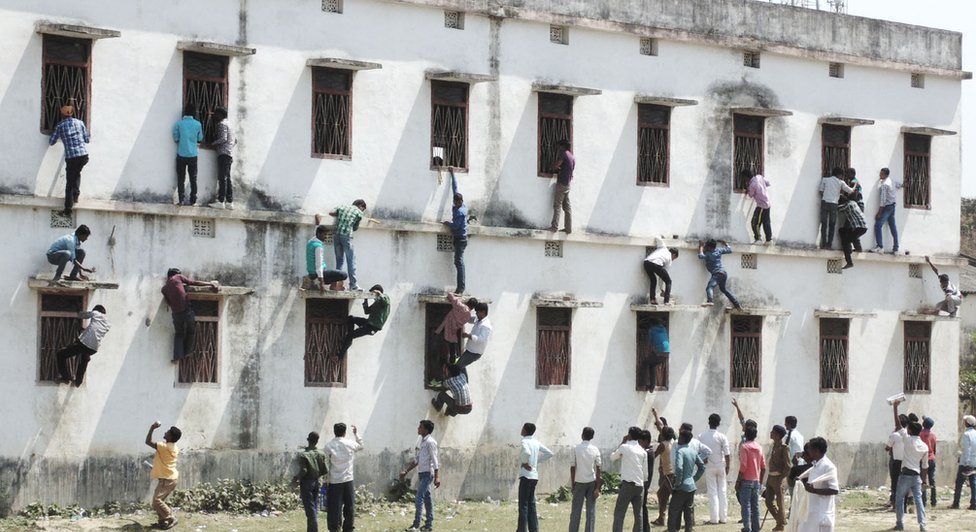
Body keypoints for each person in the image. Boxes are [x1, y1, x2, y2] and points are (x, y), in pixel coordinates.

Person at [161, 268, 218, 362]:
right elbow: (193, 282)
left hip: (176, 314)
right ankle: (188, 352)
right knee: (191, 331)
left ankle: (177, 357)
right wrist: (210, 284)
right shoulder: (178, 277)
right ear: (176, 274)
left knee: (179, 334)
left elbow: (168, 302)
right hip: (186, 311)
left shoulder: (164, 289)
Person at [48, 105, 90, 213]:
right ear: (72, 113)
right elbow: (86, 139)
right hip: (83, 155)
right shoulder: (80, 123)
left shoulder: (60, 126)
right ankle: (76, 195)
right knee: (77, 173)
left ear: (61, 115)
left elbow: (52, 142)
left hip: (71, 157)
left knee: (69, 182)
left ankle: (68, 208)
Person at [55, 305, 110, 386]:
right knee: (84, 357)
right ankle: (78, 382)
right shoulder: (108, 324)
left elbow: (83, 315)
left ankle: (65, 377)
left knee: (60, 354)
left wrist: (78, 310)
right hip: (94, 348)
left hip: (84, 343)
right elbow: (95, 331)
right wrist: (82, 329)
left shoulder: (96, 313)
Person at [400, 420, 440, 532]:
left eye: (420, 427)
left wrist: (437, 476)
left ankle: (416, 525)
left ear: (426, 430)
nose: (418, 429)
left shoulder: (430, 442)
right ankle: (428, 525)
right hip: (422, 473)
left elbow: (435, 460)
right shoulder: (422, 442)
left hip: (428, 473)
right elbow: (417, 460)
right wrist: (406, 471)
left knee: (419, 497)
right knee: (427, 498)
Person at [793, 437, 839, 532]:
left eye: (809, 449)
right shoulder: (815, 465)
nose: (808, 451)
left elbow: (834, 490)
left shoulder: (828, 467)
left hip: (821, 513)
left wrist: (814, 491)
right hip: (811, 511)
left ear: (816, 450)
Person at [324, 423, 363, 532]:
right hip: (348, 480)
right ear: (345, 432)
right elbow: (361, 445)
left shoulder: (329, 446)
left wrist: (325, 480)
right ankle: (348, 528)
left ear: (334, 432)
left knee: (334, 508)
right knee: (349, 507)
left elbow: (326, 463)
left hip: (334, 481)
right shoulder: (350, 443)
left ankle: (334, 528)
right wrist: (356, 434)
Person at [517, 422, 554, 532]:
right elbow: (549, 453)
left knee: (523, 505)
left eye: (522, 428)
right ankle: (534, 528)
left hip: (526, 475)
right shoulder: (536, 442)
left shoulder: (524, 441)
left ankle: (522, 529)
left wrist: (525, 462)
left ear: (525, 430)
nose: (521, 430)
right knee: (531, 504)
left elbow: (527, 453)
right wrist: (536, 462)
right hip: (534, 476)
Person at [894, 420, 929, 532]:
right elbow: (925, 466)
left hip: (905, 474)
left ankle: (900, 524)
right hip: (916, 476)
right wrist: (923, 481)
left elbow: (898, 425)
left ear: (909, 430)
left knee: (899, 499)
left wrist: (895, 407)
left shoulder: (908, 439)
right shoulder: (924, 446)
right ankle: (922, 525)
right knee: (918, 501)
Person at [145, 421, 181, 530]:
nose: (165, 432)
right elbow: (165, 462)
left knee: (157, 501)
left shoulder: (163, 446)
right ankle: (163, 522)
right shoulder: (174, 447)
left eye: (168, 432)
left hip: (167, 479)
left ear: (170, 437)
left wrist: (152, 427)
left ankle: (170, 518)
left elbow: (148, 441)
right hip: (170, 478)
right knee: (159, 502)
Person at [611, 426, 648, 532]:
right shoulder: (642, 451)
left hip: (628, 484)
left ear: (629, 435)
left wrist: (622, 442)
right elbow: (645, 473)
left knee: (619, 512)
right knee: (638, 514)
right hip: (640, 485)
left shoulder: (625, 447)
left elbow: (613, 457)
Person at [326, 200, 367, 291]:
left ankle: (336, 285)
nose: (362, 211)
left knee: (339, 261)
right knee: (351, 260)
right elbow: (355, 228)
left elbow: (331, 213)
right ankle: (353, 285)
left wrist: (340, 217)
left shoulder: (342, 207)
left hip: (336, 235)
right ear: (360, 206)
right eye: (363, 209)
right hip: (346, 236)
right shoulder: (358, 212)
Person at [669, 430, 705, 532]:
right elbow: (702, 467)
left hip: (681, 487)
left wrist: (677, 483)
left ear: (683, 439)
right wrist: (694, 479)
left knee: (673, 512)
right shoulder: (693, 451)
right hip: (691, 486)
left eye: (679, 437)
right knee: (688, 513)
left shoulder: (680, 451)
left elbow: (679, 468)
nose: (678, 439)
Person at [698, 413, 731, 525]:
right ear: (719, 423)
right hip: (721, 465)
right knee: (722, 491)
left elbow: (699, 452)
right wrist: (728, 466)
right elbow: (727, 453)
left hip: (709, 466)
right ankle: (723, 518)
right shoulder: (722, 436)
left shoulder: (701, 436)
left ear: (709, 422)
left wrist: (704, 460)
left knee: (712, 492)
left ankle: (714, 519)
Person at [293, 431, 329, 532]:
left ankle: (313, 530)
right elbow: (325, 470)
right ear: (317, 441)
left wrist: (296, 478)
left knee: (310, 509)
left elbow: (304, 470)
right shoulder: (322, 454)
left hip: (307, 483)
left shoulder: (304, 454)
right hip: (316, 482)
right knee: (314, 506)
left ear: (308, 440)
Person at [569, 426, 602, 532]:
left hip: (579, 482)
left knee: (576, 511)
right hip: (591, 482)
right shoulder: (595, 449)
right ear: (592, 437)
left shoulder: (575, 448)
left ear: (582, 435)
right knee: (591, 511)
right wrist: (597, 487)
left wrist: (573, 484)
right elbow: (599, 468)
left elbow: (573, 467)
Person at [340, 285, 390, 355]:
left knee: (350, 335)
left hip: (373, 327)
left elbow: (386, 302)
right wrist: (365, 300)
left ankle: (339, 356)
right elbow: (367, 311)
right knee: (351, 319)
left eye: (373, 295)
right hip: (368, 323)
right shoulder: (376, 303)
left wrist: (379, 294)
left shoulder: (385, 298)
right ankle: (349, 338)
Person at [433, 293, 477, 371]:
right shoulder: (468, 317)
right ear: (473, 308)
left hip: (443, 330)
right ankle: (449, 371)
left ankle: (439, 369)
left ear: (467, 302)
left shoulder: (460, 306)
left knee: (438, 352)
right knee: (452, 355)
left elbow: (449, 295)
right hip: (452, 335)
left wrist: (456, 295)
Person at [172, 104, 204, 206]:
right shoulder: (198, 124)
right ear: (194, 113)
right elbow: (200, 138)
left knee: (181, 178)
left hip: (181, 154)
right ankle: (193, 200)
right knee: (193, 178)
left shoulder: (179, 124)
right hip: (193, 155)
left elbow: (176, 138)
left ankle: (181, 199)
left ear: (184, 112)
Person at [442, 171, 468, 293]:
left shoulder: (460, 212)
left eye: (457, 203)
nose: (455, 204)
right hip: (459, 238)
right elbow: (455, 187)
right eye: (455, 202)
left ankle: (461, 288)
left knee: (459, 262)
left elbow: (456, 227)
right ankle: (460, 287)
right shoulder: (460, 205)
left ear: (460, 201)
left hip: (460, 239)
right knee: (458, 261)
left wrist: (447, 223)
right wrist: (452, 174)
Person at [737, 424, 766, 532]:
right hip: (756, 480)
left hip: (746, 480)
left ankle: (747, 528)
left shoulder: (744, 447)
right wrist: (760, 482)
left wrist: (738, 480)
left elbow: (743, 466)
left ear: (745, 435)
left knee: (746, 507)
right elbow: (763, 467)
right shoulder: (759, 447)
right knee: (755, 507)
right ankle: (756, 528)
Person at [698, 239, 742, 309]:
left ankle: (710, 301)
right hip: (723, 273)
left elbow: (700, 256)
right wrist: (725, 243)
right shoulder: (718, 250)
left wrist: (701, 247)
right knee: (724, 290)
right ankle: (736, 304)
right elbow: (729, 250)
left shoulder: (709, 254)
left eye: (706, 246)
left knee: (709, 287)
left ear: (709, 247)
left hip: (717, 274)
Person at [207, 107, 236, 209]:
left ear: (221, 115)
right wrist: (229, 148)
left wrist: (213, 143)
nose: (214, 116)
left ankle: (220, 201)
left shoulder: (222, 124)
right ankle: (229, 201)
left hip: (223, 154)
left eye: (216, 114)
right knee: (227, 178)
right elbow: (235, 140)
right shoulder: (230, 125)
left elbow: (223, 138)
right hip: (229, 153)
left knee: (222, 178)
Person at [818, 167, 854, 249]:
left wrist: (826, 195)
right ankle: (829, 245)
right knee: (832, 225)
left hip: (825, 202)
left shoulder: (825, 179)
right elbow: (850, 191)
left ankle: (823, 244)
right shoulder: (841, 182)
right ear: (839, 175)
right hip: (834, 204)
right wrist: (855, 184)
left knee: (824, 224)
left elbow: (820, 191)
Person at [306, 222, 348, 292]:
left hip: (311, 273)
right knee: (343, 275)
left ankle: (333, 285)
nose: (326, 237)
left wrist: (317, 223)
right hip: (317, 274)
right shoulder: (318, 247)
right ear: (319, 234)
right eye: (324, 234)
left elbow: (315, 233)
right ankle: (333, 286)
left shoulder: (311, 242)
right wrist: (321, 283)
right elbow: (318, 265)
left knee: (333, 272)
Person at [765, 425, 792, 532]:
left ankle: (780, 525)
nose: (771, 433)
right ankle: (781, 521)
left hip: (778, 478)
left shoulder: (784, 448)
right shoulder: (774, 446)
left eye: (773, 432)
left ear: (778, 435)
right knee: (768, 502)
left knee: (780, 503)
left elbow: (788, 466)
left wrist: (781, 478)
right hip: (770, 477)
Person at [871, 167, 903, 254]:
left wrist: (879, 212)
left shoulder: (884, 185)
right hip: (892, 206)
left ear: (885, 175)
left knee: (878, 225)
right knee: (893, 227)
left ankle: (880, 246)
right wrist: (904, 184)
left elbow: (883, 200)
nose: (879, 175)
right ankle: (896, 248)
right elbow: (899, 185)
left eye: (881, 174)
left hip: (887, 207)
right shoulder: (891, 181)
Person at [457, 301, 492, 378]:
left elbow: (482, 339)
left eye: (477, 312)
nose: (476, 314)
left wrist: (469, 336)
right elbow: (470, 319)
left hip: (474, 353)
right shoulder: (478, 319)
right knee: (461, 366)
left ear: (483, 312)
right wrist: (463, 315)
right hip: (470, 350)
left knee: (458, 366)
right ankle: (465, 384)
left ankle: (463, 384)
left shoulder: (486, 326)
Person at [887, 399, 910, 507]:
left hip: (896, 461)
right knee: (904, 484)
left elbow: (887, 448)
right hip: (905, 461)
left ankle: (896, 503)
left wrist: (895, 407)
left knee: (895, 483)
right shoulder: (908, 435)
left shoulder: (896, 434)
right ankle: (903, 504)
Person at [652, 426, 676, 526]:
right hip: (671, 473)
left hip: (668, 474)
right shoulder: (673, 443)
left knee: (674, 497)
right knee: (662, 494)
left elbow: (653, 455)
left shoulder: (662, 445)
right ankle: (661, 518)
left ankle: (669, 519)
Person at [644, 236, 679, 305]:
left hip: (646, 262)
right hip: (656, 264)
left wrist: (660, 236)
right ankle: (666, 301)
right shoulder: (669, 260)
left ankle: (652, 299)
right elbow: (662, 278)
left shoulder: (663, 247)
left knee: (653, 280)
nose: (673, 260)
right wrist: (662, 289)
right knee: (669, 281)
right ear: (674, 255)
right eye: (674, 258)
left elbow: (657, 238)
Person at [950, 414, 976, 509]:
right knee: (973, 483)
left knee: (959, 483)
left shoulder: (966, 434)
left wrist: (966, 463)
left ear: (967, 423)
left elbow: (967, 449)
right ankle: (974, 503)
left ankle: (956, 503)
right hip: (974, 462)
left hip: (966, 463)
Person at [548, 139, 574, 233]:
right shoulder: (572, 156)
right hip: (567, 184)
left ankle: (554, 227)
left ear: (562, 146)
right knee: (567, 207)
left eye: (558, 146)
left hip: (562, 183)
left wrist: (552, 167)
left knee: (557, 205)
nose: (557, 148)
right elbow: (570, 170)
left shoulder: (563, 154)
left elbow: (556, 166)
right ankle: (568, 228)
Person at [837, 195, 867, 269]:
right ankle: (858, 248)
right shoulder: (853, 202)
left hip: (859, 228)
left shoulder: (847, 206)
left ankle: (849, 262)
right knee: (843, 230)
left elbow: (837, 208)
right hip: (862, 227)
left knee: (845, 242)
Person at [745, 170, 772, 244]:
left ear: (747, 178)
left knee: (755, 222)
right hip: (768, 202)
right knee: (766, 221)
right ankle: (769, 240)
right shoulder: (759, 176)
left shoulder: (752, 185)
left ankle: (758, 239)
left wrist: (747, 188)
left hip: (762, 205)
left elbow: (750, 195)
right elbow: (768, 183)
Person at [645, 318, 669, 390]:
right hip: (667, 352)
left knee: (645, 363)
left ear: (651, 324)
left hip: (659, 352)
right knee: (652, 365)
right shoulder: (664, 329)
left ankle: (643, 383)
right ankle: (652, 387)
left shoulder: (651, 329)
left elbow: (649, 342)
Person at [638, 429, 655, 532]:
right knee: (642, 506)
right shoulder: (648, 451)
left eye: (640, 441)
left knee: (642, 507)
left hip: (645, 482)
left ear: (646, 441)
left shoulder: (647, 452)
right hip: (645, 481)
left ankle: (645, 528)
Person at [919, 417, 937, 506]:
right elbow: (934, 449)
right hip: (932, 458)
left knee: (923, 480)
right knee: (932, 480)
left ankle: (923, 501)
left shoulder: (920, 434)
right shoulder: (933, 435)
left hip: (923, 459)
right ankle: (934, 501)